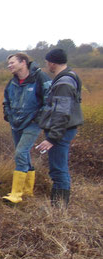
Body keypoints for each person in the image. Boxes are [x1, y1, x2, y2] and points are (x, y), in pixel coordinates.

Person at [35, 48, 84, 207]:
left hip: (61, 132)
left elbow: (62, 113)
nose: (47, 65)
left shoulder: (63, 83)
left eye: (47, 62)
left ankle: (58, 210)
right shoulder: (70, 76)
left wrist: (52, 138)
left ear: (52, 62)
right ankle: (59, 207)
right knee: (59, 168)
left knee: (58, 170)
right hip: (64, 130)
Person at [1, 52, 52, 203]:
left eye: (12, 63)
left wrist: (37, 119)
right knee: (23, 155)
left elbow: (49, 101)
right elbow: (6, 101)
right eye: (8, 64)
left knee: (20, 152)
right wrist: (8, 115)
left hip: (32, 124)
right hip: (15, 123)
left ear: (23, 62)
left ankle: (16, 194)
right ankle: (28, 191)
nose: (9, 66)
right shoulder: (12, 82)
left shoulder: (40, 78)